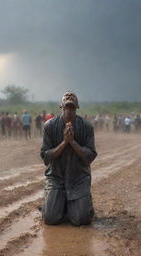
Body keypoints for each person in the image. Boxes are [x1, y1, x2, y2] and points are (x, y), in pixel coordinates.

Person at [40, 92, 97, 226]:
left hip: (79, 178)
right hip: (56, 177)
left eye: (72, 108)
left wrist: (72, 142)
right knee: (50, 219)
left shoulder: (86, 127)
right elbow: (45, 156)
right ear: (61, 107)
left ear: (77, 108)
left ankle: (82, 204)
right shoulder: (49, 126)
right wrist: (64, 142)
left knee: (81, 220)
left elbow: (90, 156)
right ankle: (59, 204)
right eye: (66, 108)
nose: (69, 111)